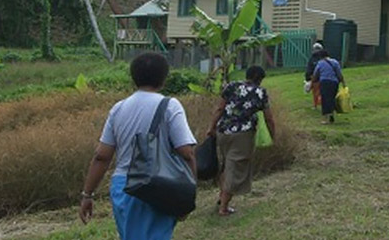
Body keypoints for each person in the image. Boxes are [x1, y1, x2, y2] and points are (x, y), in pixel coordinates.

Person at [79, 53, 197, 240]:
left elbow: (102, 156)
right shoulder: (171, 106)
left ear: (133, 78)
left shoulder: (118, 108)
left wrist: (87, 194)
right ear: (164, 78)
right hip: (160, 185)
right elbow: (187, 153)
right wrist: (188, 195)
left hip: (123, 187)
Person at [207, 65, 276, 216]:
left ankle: (221, 197)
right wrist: (273, 135)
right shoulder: (260, 92)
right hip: (243, 135)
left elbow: (219, 109)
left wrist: (211, 127)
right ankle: (224, 207)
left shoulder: (231, 86)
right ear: (260, 79)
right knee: (236, 168)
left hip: (223, 131)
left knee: (226, 164)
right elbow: (269, 118)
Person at [312, 50, 345, 124]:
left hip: (324, 82)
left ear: (320, 56)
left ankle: (325, 118)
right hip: (334, 83)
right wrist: (343, 83)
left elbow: (316, 74)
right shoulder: (335, 62)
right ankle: (331, 114)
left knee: (325, 100)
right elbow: (339, 74)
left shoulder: (320, 63)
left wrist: (313, 81)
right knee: (332, 98)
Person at [305, 42, 325, 110]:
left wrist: (308, 77)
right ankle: (320, 104)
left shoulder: (312, 58)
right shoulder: (323, 58)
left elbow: (309, 68)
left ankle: (316, 105)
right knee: (321, 92)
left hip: (315, 78)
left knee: (315, 92)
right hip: (322, 77)